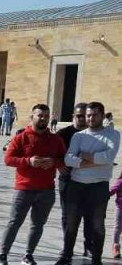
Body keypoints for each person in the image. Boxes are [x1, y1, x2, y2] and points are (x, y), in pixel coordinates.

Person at [0, 105, 64, 265]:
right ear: (32, 117)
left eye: (46, 116)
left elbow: (64, 158)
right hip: (24, 188)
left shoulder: (55, 139)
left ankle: (28, 255)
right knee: (14, 222)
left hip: (46, 189)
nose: (43, 119)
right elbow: (8, 159)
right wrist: (28, 161)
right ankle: (3, 254)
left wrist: (53, 162)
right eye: (40, 115)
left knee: (38, 224)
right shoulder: (21, 137)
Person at [57, 102, 118, 265]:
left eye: (94, 115)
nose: (90, 118)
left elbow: (108, 157)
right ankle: (66, 256)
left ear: (102, 115)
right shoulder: (78, 136)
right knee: (71, 224)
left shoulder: (113, 134)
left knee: (97, 225)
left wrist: (83, 158)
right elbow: (68, 159)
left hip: (99, 185)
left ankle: (96, 260)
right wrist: (93, 161)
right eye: (87, 115)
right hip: (76, 185)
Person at [57, 103, 89, 256]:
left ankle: (88, 245)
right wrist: (58, 165)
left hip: (88, 180)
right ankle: (67, 245)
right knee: (67, 214)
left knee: (88, 213)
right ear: (73, 117)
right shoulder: (63, 133)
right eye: (79, 116)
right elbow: (52, 151)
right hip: (67, 178)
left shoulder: (92, 134)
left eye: (85, 116)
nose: (82, 119)